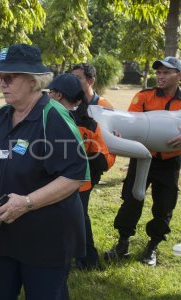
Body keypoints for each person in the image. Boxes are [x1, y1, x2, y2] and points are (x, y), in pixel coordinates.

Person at [0, 44, 90, 299]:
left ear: (33, 81)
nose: (2, 83)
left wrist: (26, 203)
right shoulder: (2, 115)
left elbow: (74, 176)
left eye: (9, 77)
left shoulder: (54, 116)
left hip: (48, 238)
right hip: (7, 234)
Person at [104, 56, 181, 267]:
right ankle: (122, 243)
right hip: (141, 157)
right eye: (158, 72)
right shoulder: (144, 96)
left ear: (179, 76)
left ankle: (153, 246)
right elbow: (131, 123)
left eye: (166, 72)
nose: (160, 76)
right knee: (131, 200)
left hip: (169, 162)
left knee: (164, 205)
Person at [48, 73, 115, 270]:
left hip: (54, 183)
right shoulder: (90, 124)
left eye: (50, 92)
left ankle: (65, 258)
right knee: (79, 220)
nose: (47, 95)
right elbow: (103, 160)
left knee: (60, 221)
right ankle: (87, 260)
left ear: (59, 95)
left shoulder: (51, 119)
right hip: (81, 183)